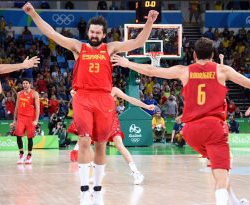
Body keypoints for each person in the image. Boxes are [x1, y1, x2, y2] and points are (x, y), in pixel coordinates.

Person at [111, 37, 250, 205]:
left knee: (220, 168)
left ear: (193, 54)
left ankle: (234, 201)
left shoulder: (184, 71)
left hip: (190, 131)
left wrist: (128, 63)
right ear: (213, 55)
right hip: (213, 127)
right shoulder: (222, 70)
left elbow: (151, 70)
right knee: (221, 173)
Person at [23, 3, 159, 204]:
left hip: (104, 99)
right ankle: (84, 189)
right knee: (84, 140)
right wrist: (33, 13)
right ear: (88, 32)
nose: (94, 35)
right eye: (92, 31)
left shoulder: (110, 48)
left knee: (101, 145)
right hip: (83, 97)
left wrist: (149, 22)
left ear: (103, 35)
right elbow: (50, 32)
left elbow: (139, 41)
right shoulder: (78, 47)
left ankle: (97, 189)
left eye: (98, 33)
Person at [69, 88, 154, 184]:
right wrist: (77, 91)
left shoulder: (113, 90)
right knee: (87, 143)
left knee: (119, 145)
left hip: (111, 119)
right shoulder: (94, 90)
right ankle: (98, 172)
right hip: (99, 119)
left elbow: (130, 99)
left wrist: (146, 106)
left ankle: (136, 172)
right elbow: (74, 93)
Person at [12, 78, 40, 164]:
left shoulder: (34, 94)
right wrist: (14, 120)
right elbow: (16, 107)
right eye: (23, 83)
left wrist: (36, 120)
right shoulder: (19, 94)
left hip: (31, 118)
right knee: (18, 134)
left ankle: (29, 156)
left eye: (26, 83)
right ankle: (21, 154)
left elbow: (38, 108)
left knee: (29, 137)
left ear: (30, 84)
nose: (25, 85)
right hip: (21, 117)